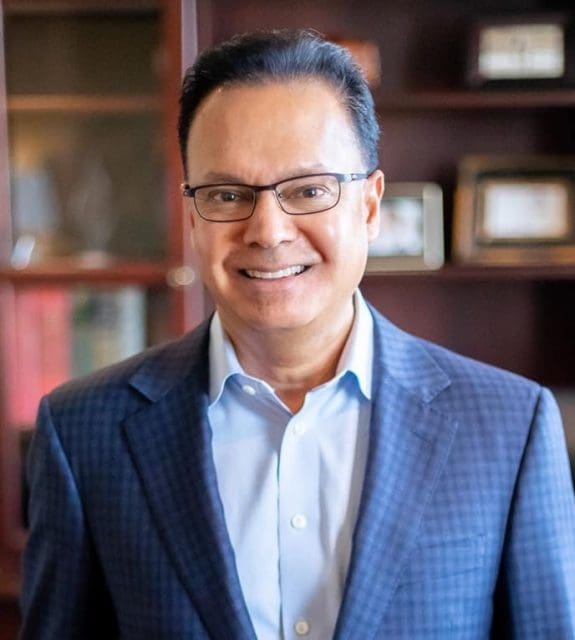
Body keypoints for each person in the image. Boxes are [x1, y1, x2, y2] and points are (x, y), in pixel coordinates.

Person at [20, 29, 575, 640]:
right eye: (227, 194)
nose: (268, 231)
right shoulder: (83, 431)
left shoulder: (509, 426)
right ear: (192, 214)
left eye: (309, 190)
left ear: (370, 206)